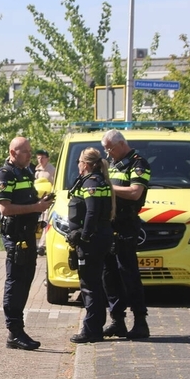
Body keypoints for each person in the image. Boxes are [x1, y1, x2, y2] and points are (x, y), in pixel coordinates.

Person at [0, 136, 54, 350]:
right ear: (12, 153)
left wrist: (41, 201)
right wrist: (35, 208)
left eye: (30, 150)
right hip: (15, 236)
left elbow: (28, 199)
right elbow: (5, 209)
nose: (30, 155)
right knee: (16, 282)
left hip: (29, 235)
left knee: (26, 279)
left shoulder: (27, 171)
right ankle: (15, 332)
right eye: (25, 151)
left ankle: (18, 330)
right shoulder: (5, 175)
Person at [101, 129, 152, 340]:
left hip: (126, 225)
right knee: (109, 274)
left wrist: (108, 188)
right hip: (109, 225)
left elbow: (134, 192)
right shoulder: (113, 163)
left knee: (128, 273)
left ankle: (140, 321)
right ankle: (117, 320)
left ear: (121, 144)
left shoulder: (139, 163)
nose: (108, 154)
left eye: (110, 149)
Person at [66, 147, 115, 343]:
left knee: (89, 285)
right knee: (94, 283)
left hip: (92, 241)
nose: (78, 165)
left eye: (79, 161)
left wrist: (84, 236)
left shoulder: (91, 183)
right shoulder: (98, 181)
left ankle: (91, 330)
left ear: (85, 164)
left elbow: (92, 212)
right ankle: (94, 325)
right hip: (100, 237)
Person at [33, 150, 56, 256]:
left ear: (47, 158)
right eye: (38, 158)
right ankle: (38, 244)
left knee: (46, 221)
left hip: (48, 199)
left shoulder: (52, 170)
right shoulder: (36, 171)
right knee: (39, 223)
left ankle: (43, 245)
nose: (40, 160)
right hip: (38, 199)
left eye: (42, 157)